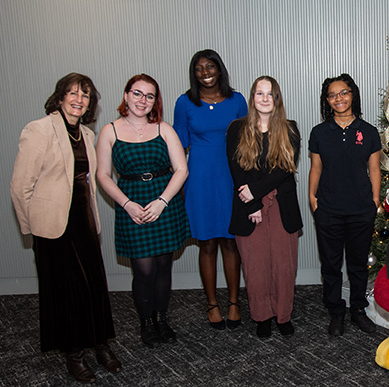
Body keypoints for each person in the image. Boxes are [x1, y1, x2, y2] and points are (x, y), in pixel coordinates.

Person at [11, 73, 121, 383]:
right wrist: (32, 230)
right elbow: (20, 186)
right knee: (65, 291)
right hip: (52, 226)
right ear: (60, 97)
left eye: (85, 95)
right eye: (72, 93)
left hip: (83, 221)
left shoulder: (86, 134)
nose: (79, 99)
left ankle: (100, 344)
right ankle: (73, 354)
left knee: (94, 286)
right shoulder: (39, 130)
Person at [96, 74, 190, 347]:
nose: (143, 100)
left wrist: (162, 201)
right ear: (126, 95)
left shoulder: (164, 129)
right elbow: (103, 175)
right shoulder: (109, 132)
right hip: (131, 205)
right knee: (144, 270)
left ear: (155, 101)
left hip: (165, 203)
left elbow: (181, 169)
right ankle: (146, 322)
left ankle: (161, 319)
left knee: (163, 266)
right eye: (137, 94)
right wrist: (126, 204)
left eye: (149, 96)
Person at [174, 49, 248, 329]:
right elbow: (179, 146)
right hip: (200, 179)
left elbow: (247, 141)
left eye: (210, 67)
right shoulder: (185, 103)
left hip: (230, 177)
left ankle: (233, 302)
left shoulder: (237, 100)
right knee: (206, 244)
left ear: (220, 69)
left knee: (231, 242)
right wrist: (180, 186)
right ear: (193, 73)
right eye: (199, 69)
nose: (205, 73)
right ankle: (211, 303)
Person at [227, 76, 302, 338]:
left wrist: (256, 193)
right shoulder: (237, 129)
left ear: (277, 99)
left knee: (283, 265)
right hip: (249, 207)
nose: (265, 99)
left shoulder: (290, 129)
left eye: (270, 94)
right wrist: (254, 203)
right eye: (259, 93)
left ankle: (283, 315)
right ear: (252, 98)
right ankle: (262, 317)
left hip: (282, 205)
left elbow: (284, 169)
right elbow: (236, 169)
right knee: (256, 266)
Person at [308, 73, 381, 336]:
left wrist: (374, 201)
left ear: (353, 95)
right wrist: (312, 199)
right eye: (332, 95)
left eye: (344, 92)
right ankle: (336, 311)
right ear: (326, 101)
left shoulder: (369, 132)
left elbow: (374, 170)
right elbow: (315, 168)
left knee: (358, 264)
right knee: (330, 265)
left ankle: (358, 310)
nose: (338, 98)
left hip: (361, 210)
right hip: (328, 210)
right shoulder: (319, 133)